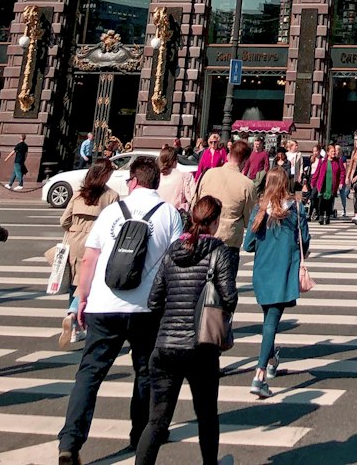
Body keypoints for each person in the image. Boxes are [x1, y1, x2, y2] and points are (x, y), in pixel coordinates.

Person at [56, 156, 182, 465]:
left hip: (103, 305)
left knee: (89, 374)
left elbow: (89, 259)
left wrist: (81, 300)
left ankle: (70, 443)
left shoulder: (112, 211)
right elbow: (175, 264)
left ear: (135, 181)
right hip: (145, 307)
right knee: (145, 372)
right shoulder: (169, 215)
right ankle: (140, 433)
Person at [133, 194, 237, 465]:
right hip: (201, 347)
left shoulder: (173, 250)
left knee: (157, 420)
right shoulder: (219, 251)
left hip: (166, 345)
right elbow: (229, 298)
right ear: (214, 222)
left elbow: (154, 299)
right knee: (206, 415)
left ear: (192, 218)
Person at [243, 167, 310, 398]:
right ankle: (260, 374)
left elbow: (248, 245)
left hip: (263, 271)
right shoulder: (296, 210)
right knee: (271, 322)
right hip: (283, 271)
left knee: (268, 319)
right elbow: (306, 242)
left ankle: (270, 361)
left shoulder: (260, 211)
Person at [57, 157, 119, 349]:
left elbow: (63, 221)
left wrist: (74, 229)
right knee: (87, 283)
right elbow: (114, 224)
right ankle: (75, 314)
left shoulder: (78, 194)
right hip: (94, 244)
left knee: (74, 281)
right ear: (105, 175)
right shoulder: (111, 196)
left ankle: (74, 328)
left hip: (73, 241)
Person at [194, 137, 256, 258]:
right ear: (245, 160)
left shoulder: (208, 174)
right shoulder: (247, 184)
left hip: (204, 236)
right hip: (228, 241)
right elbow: (250, 218)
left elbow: (195, 203)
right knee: (225, 276)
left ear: (228, 155)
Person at [155, 146, 194, 219]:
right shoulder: (186, 177)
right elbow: (192, 200)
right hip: (177, 218)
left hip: (157, 218)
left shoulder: (156, 178)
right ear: (175, 161)